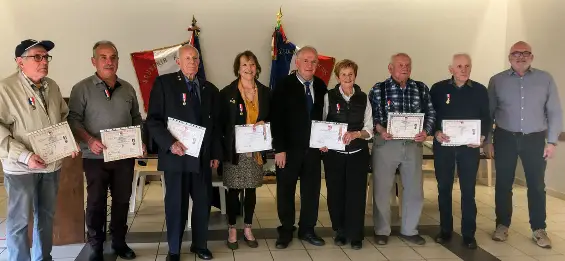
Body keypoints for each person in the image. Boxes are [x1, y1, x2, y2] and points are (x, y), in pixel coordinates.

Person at [0, 39, 78, 261]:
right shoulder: (5, 89)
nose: (44, 61)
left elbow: (63, 117)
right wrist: (25, 156)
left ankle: (43, 258)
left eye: (45, 57)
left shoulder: (51, 86)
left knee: (46, 217)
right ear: (20, 62)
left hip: (50, 165)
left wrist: (68, 141)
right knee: (19, 222)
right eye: (37, 57)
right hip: (20, 168)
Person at [67, 40, 143, 261]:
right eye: (103, 57)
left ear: (118, 61)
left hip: (123, 156)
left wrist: (139, 140)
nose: (109, 62)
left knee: (122, 200)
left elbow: (136, 118)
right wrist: (89, 140)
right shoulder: (81, 88)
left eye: (113, 57)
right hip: (95, 157)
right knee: (96, 202)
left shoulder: (128, 88)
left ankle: (119, 242)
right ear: (94, 61)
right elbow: (73, 120)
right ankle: (96, 245)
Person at [146, 44, 221, 261]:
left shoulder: (210, 89)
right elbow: (153, 120)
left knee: (202, 202)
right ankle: (174, 250)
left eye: (195, 58)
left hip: (202, 158)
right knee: (176, 205)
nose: (192, 62)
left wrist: (216, 153)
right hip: (176, 157)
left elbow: (215, 126)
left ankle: (200, 244)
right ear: (178, 62)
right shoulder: (164, 84)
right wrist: (170, 143)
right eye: (187, 58)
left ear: (199, 62)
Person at [486, 41, 563, 248]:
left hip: (535, 139)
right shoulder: (497, 81)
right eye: (516, 53)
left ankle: (539, 229)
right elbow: (489, 113)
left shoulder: (545, 79)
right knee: (503, 184)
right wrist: (488, 140)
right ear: (509, 57)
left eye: (525, 53)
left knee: (537, 186)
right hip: (504, 138)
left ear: (532, 57)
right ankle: (502, 225)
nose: (521, 57)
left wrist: (553, 141)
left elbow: (554, 111)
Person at [368, 53, 436, 246]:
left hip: (413, 144)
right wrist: (380, 129)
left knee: (414, 189)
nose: (404, 68)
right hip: (386, 144)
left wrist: (426, 131)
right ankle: (381, 230)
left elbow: (431, 112)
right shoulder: (378, 89)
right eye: (400, 65)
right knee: (382, 189)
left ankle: (410, 229)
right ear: (390, 68)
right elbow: (371, 116)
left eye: (407, 65)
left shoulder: (421, 88)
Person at [429, 53, 491, 249]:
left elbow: (486, 118)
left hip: (469, 149)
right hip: (444, 147)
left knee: (468, 192)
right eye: (459, 66)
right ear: (451, 69)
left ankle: (468, 234)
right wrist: (435, 132)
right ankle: (445, 230)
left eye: (467, 66)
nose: (463, 70)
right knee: (444, 190)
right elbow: (430, 115)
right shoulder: (438, 89)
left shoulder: (480, 90)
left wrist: (481, 137)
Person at [270, 46, 327, 249]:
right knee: (286, 191)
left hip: (313, 150)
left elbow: (324, 118)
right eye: (306, 60)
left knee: (311, 192)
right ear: (297, 62)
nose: (310, 65)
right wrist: (279, 149)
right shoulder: (283, 85)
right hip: (288, 150)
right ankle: (286, 230)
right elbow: (276, 119)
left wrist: (325, 141)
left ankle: (307, 230)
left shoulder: (321, 86)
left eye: (313, 62)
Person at [219, 50, 270, 250]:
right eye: (244, 65)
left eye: (252, 64)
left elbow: (273, 116)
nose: (249, 69)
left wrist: (265, 122)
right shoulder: (227, 93)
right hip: (235, 150)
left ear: (256, 68)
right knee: (233, 189)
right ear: (238, 69)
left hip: (255, 150)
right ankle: (232, 228)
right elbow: (221, 123)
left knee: (251, 190)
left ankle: (248, 227)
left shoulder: (265, 92)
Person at [320, 59, 373, 249]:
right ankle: (340, 231)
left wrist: (357, 134)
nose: (347, 78)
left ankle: (356, 234)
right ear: (337, 77)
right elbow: (323, 123)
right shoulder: (329, 97)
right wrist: (323, 143)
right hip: (334, 154)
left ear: (355, 76)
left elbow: (369, 129)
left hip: (358, 153)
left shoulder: (363, 98)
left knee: (357, 194)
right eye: (344, 74)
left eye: (351, 74)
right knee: (336, 193)